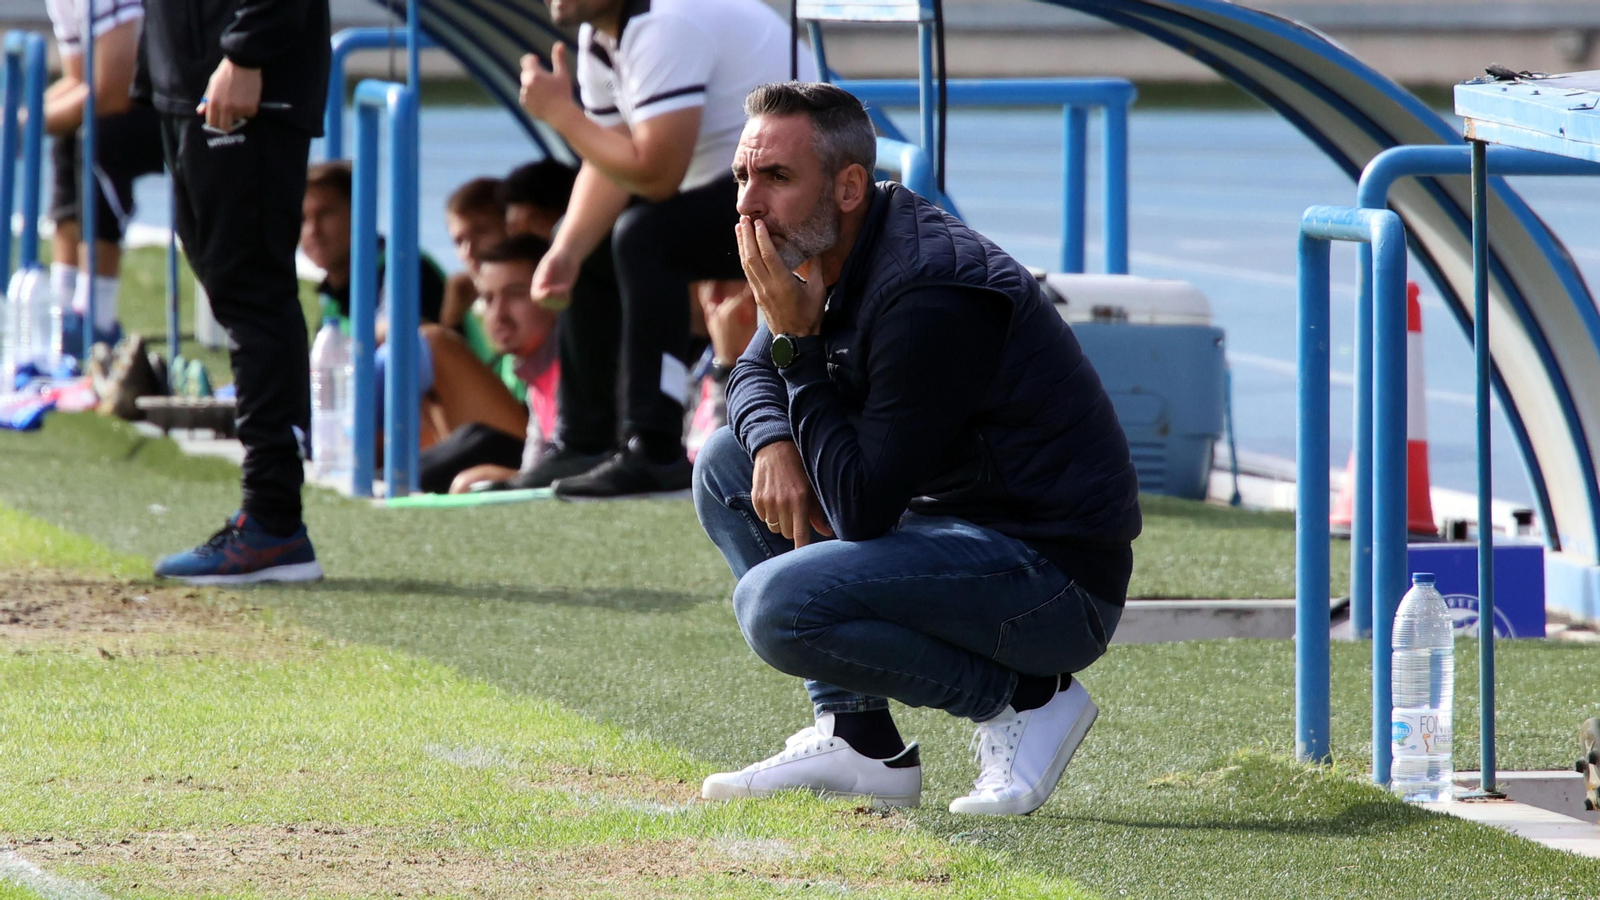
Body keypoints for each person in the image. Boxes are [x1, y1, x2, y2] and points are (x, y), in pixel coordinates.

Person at [693, 83, 1143, 815]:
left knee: (778, 607)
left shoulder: (928, 289)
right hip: (948, 534)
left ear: (845, 187)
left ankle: (1028, 698)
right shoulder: (821, 249)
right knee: (727, 465)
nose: (747, 204)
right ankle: (858, 738)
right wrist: (774, 440)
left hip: (1051, 578)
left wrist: (798, 348)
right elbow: (750, 372)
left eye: (775, 177)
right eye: (743, 177)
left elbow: (862, 509)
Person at [517, 0, 811, 498]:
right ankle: (584, 440)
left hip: (804, 191)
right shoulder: (602, 35)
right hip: (747, 187)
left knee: (646, 238)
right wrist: (565, 250)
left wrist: (561, 114)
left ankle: (654, 448)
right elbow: (611, 157)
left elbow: (656, 173)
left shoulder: (665, 22)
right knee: (592, 241)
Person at [139, 0, 330, 583]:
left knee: (253, 295)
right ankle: (269, 521)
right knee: (233, 289)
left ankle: (273, 522)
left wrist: (246, 49)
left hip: (246, 78)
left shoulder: (246, 56)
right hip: (188, 78)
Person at [44, 0, 165, 350]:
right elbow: (78, 79)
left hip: (190, 100)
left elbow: (111, 92)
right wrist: (21, 117)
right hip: (139, 98)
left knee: (99, 138)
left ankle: (97, 321)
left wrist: (27, 123)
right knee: (67, 135)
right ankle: (63, 312)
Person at [419, 235, 563, 494]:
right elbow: (534, 472)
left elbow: (582, 472)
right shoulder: (535, 371)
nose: (499, 314)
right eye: (487, 299)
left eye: (516, 295)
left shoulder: (575, 368)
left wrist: (502, 479)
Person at [300, 160, 448, 332]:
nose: (313, 230)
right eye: (303, 219)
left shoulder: (406, 270)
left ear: (361, 214)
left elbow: (422, 345)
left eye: (325, 214)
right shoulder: (332, 302)